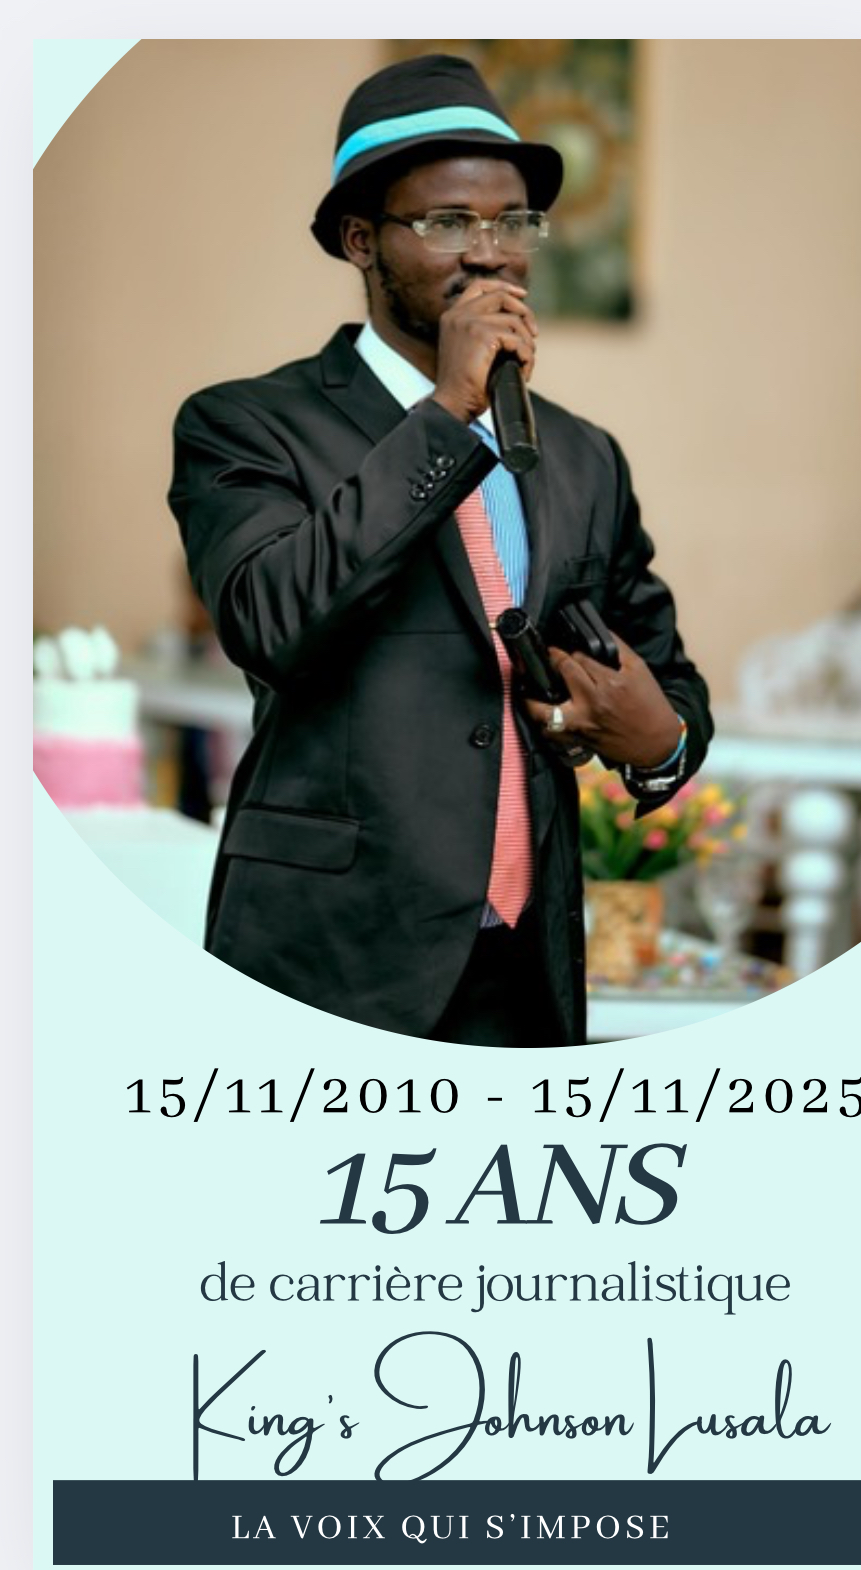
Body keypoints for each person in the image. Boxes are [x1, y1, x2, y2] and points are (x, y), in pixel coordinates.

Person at [168, 53, 712, 1046]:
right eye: (448, 221)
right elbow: (271, 621)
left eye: (513, 222)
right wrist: (447, 414)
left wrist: (660, 743)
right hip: (331, 958)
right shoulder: (245, 424)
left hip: (523, 972)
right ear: (360, 240)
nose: (490, 253)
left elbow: (665, 677)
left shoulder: (583, 456)